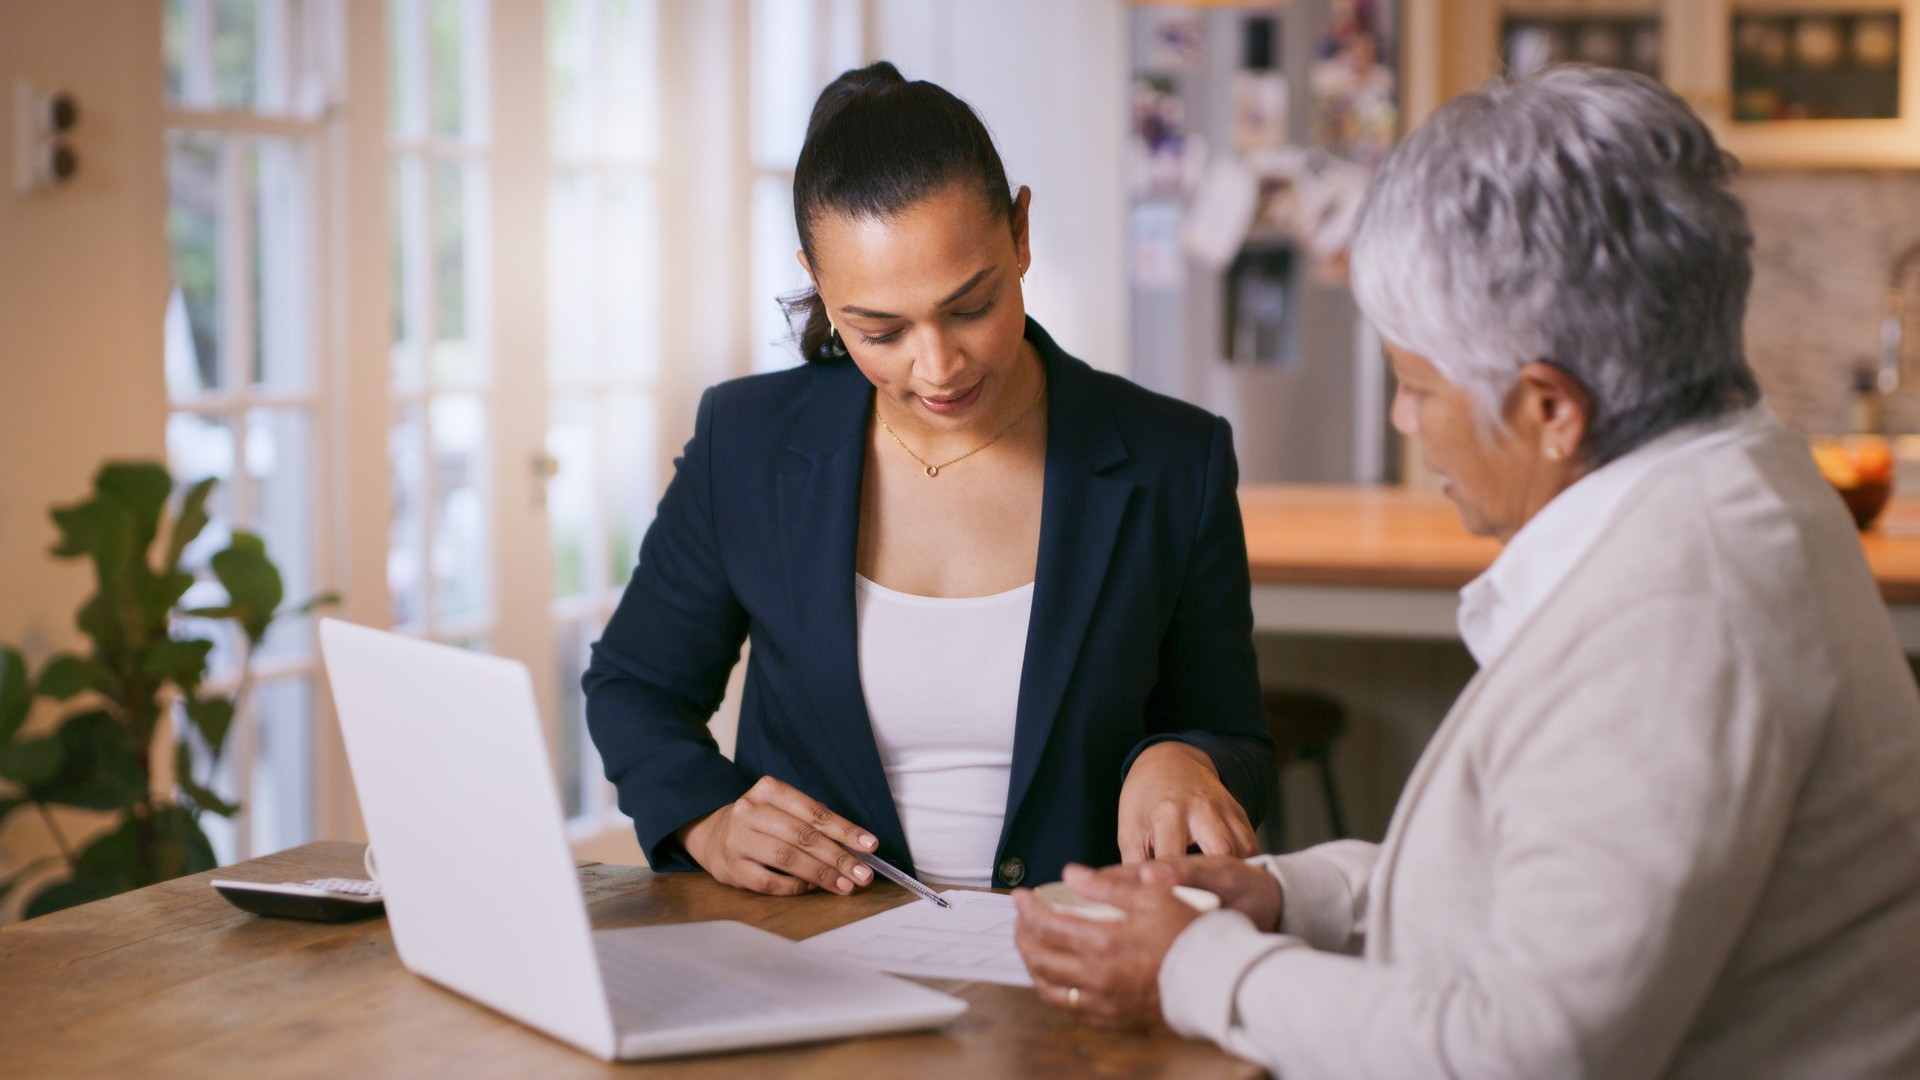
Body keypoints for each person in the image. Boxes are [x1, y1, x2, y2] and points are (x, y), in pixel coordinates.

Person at [1012, 65, 1920, 1078]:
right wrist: (1288, 896)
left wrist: (1196, 967)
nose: (1404, 420)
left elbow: (1523, 1052)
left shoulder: (1676, 620)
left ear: (1549, 409)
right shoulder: (1738, 480)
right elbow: (1555, 893)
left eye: (1416, 385)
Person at [583, 62, 1274, 897]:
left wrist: (1183, 755)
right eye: (880, 330)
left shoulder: (1174, 459)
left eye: (970, 307)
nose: (937, 368)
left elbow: (1236, 737)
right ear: (820, 285)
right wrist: (709, 819)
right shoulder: (749, 443)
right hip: (812, 951)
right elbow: (636, 687)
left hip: (1076, 964)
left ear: (1020, 233)